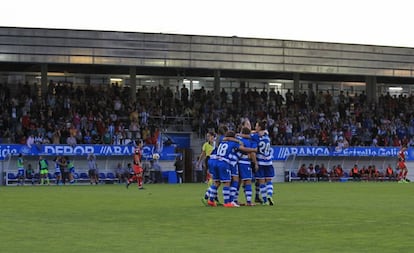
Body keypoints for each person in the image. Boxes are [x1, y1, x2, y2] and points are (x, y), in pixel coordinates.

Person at [207, 130, 256, 207]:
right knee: (228, 182)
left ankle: (211, 200)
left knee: (217, 182)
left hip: (216, 161)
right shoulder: (234, 143)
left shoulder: (222, 141)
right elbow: (242, 149)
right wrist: (254, 150)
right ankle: (228, 202)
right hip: (224, 163)